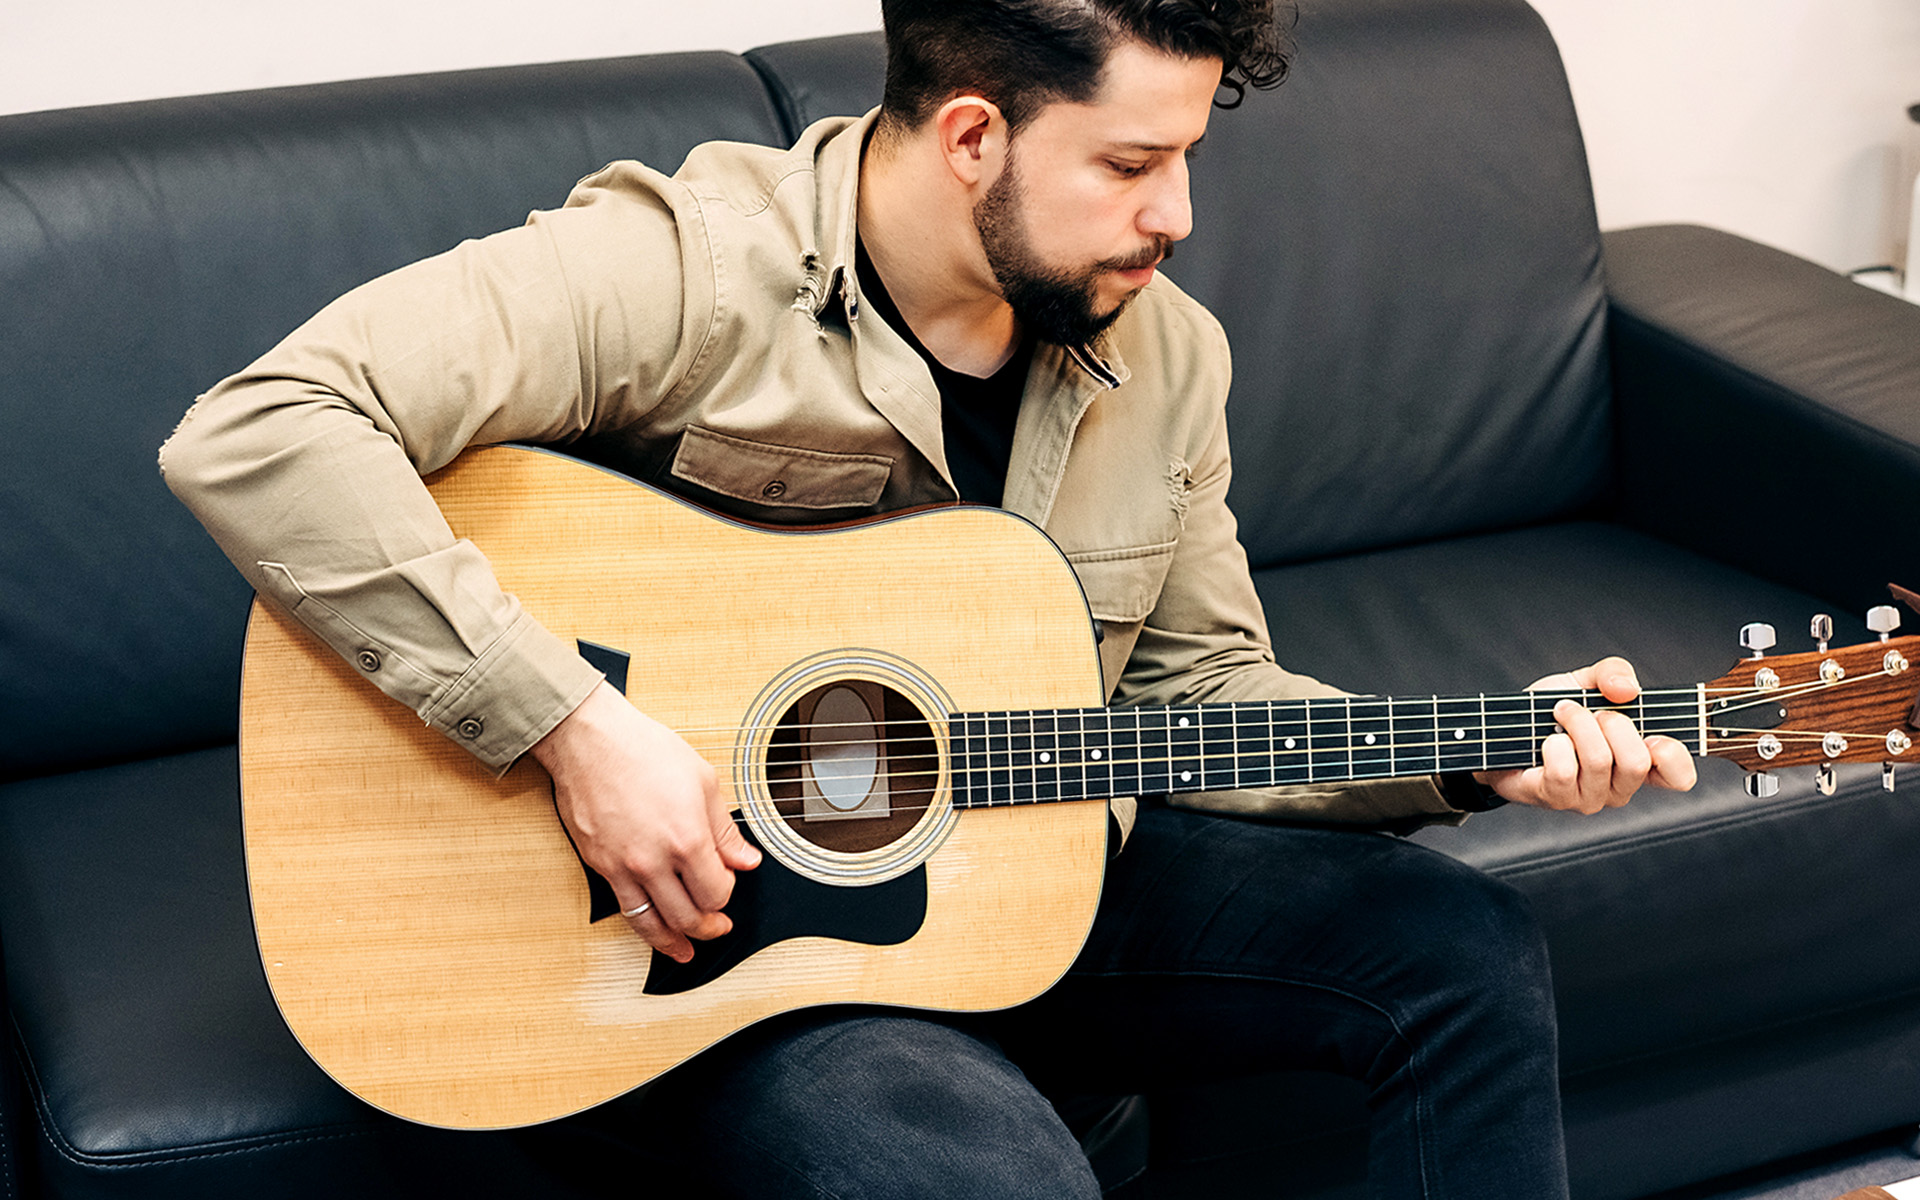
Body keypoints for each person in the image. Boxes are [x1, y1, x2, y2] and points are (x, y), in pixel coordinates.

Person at [162, 0, 1698, 1195]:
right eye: (1129, 164)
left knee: (1464, 959)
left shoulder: (1164, 355)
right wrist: (575, 728)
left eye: (1189, 160)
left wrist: (1473, 749)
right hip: (714, 944)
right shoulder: (681, 275)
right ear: (973, 136)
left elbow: (1191, 699)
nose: (1178, 217)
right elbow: (264, 427)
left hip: (1043, 875)